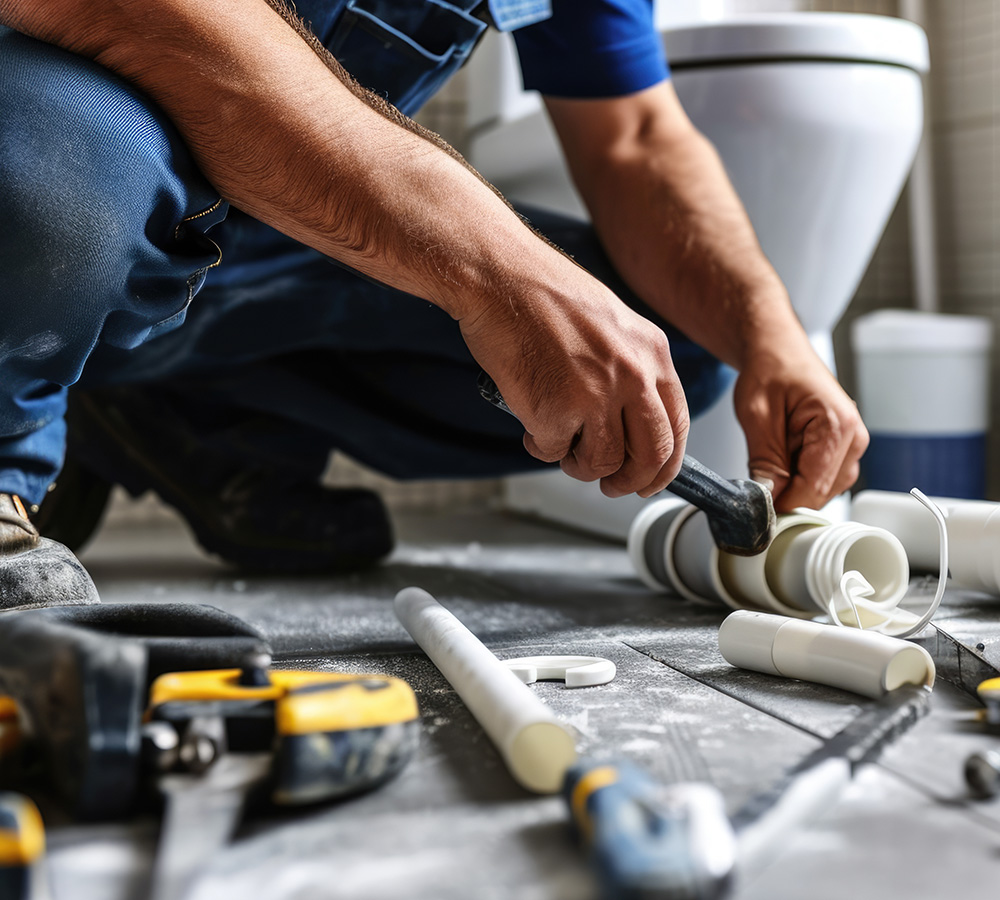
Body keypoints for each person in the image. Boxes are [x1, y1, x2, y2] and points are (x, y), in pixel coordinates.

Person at [0, 0, 868, 576]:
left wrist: (774, 339)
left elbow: (635, 137)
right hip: (72, 158)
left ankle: (166, 411)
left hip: (230, 249)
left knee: (660, 363)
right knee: (63, 181)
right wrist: (495, 271)